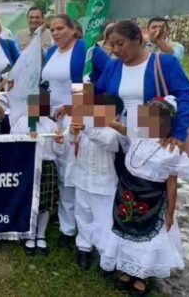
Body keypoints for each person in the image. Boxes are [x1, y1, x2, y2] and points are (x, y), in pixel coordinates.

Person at [98, 99, 189, 295]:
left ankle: (141, 275)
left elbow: (172, 183)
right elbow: (116, 125)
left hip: (152, 199)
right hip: (127, 192)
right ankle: (126, 267)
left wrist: (169, 213)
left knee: (147, 238)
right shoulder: (138, 135)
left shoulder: (172, 149)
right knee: (125, 232)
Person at [95, 20, 189, 153]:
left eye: (120, 44)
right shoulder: (113, 66)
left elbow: (187, 96)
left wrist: (178, 133)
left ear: (137, 39)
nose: (116, 50)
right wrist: (72, 105)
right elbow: (97, 94)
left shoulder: (164, 63)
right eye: (112, 45)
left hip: (154, 142)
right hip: (120, 140)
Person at [42, 15, 88, 248]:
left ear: (73, 30)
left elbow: (87, 87)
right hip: (53, 119)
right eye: (52, 30)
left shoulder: (83, 50)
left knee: (72, 174)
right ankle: (65, 223)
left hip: (74, 117)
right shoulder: (51, 52)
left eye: (60, 28)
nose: (56, 33)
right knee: (60, 170)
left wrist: (73, 110)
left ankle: (77, 230)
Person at [68, 93, 123, 270]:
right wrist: (71, 133)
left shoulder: (116, 133)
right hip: (82, 180)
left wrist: (85, 128)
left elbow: (106, 142)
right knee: (82, 215)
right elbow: (70, 141)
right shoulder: (87, 128)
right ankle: (84, 248)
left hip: (103, 185)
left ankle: (105, 254)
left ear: (116, 116)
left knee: (104, 221)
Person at [11, 86, 64, 257]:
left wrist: (58, 141)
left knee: (46, 203)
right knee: (29, 202)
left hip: (47, 165)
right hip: (28, 165)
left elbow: (58, 152)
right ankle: (30, 234)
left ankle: (41, 234)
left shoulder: (51, 124)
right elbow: (13, 144)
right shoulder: (21, 122)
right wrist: (26, 140)